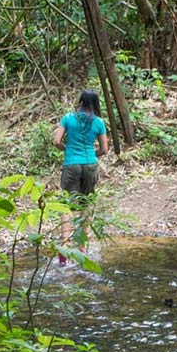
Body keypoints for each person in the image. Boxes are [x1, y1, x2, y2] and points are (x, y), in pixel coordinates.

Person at [52, 90, 109, 264]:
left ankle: (64, 249)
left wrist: (67, 150)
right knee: (85, 205)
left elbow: (56, 141)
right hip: (90, 165)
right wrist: (92, 155)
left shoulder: (68, 118)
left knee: (66, 207)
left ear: (80, 102)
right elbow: (104, 149)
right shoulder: (99, 122)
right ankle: (82, 248)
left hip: (71, 165)